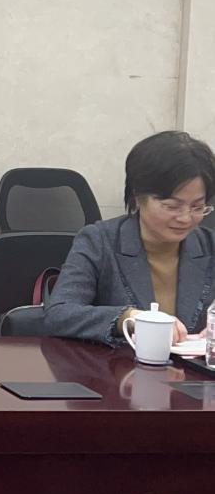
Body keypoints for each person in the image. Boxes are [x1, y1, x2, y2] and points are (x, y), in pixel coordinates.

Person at [45, 130, 215, 346]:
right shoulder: (99, 241)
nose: (185, 218)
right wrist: (127, 318)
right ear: (137, 197)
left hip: (193, 368)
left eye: (198, 207)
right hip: (115, 365)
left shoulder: (210, 246)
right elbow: (59, 314)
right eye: (172, 206)